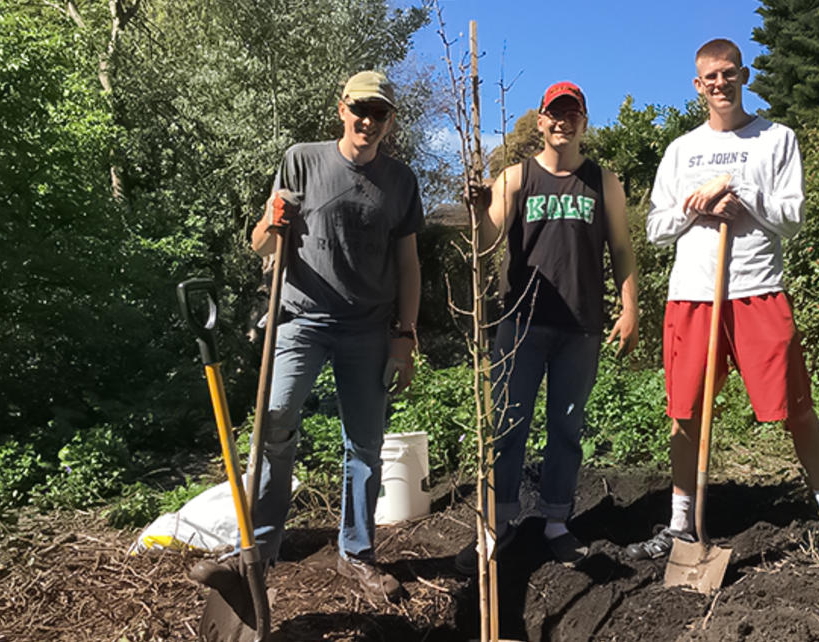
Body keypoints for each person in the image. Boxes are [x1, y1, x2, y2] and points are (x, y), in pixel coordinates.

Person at [630, 39, 819, 574]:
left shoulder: (777, 139)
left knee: (796, 409)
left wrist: (745, 198)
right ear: (697, 85)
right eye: (710, 77)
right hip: (693, 295)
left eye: (728, 74)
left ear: (744, 75)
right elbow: (657, 229)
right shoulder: (681, 150)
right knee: (685, 414)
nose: (720, 84)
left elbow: (793, 217)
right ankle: (681, 525)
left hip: (757, 289)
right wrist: (700, 207)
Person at [248, 70, 423, 601]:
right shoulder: (301, 160)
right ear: (341, 108)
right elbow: (261, 246)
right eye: (359, 110)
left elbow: (409, 265)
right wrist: (270, 225)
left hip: (368, 328)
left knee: (365, 446)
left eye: (379, 113)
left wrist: (405, 335)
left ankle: (357, 552)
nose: (368, 121)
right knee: (275, 423)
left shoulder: (401, 181)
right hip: (300, 319)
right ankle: (259, 547)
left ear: (390, 121)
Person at [454, 81, 639, 573]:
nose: (563, 122)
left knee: (566, 427)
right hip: (520, 324)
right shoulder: (515, 178)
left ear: (583, 121)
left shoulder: (605, 182)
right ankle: (499, 523)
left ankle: (557, 521)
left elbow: (621, 250)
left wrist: (629, 308)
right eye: (554, 114)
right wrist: (478, 206)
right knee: (508, 427)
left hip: (581, 325)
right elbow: (489, 240)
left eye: (572, 113)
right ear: (540, 121)